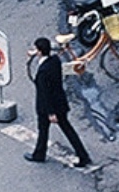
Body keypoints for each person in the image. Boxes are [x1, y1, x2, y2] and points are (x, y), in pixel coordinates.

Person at [25, 35, 93, 169]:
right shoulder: (55, 61)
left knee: (44, 130)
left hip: (48, 107)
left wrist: (51, 112)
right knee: (67, 130)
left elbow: (45, 93)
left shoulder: (43, 71)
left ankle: (39, 154)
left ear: (39, 51)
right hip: (60, 102)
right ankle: (82, 155)